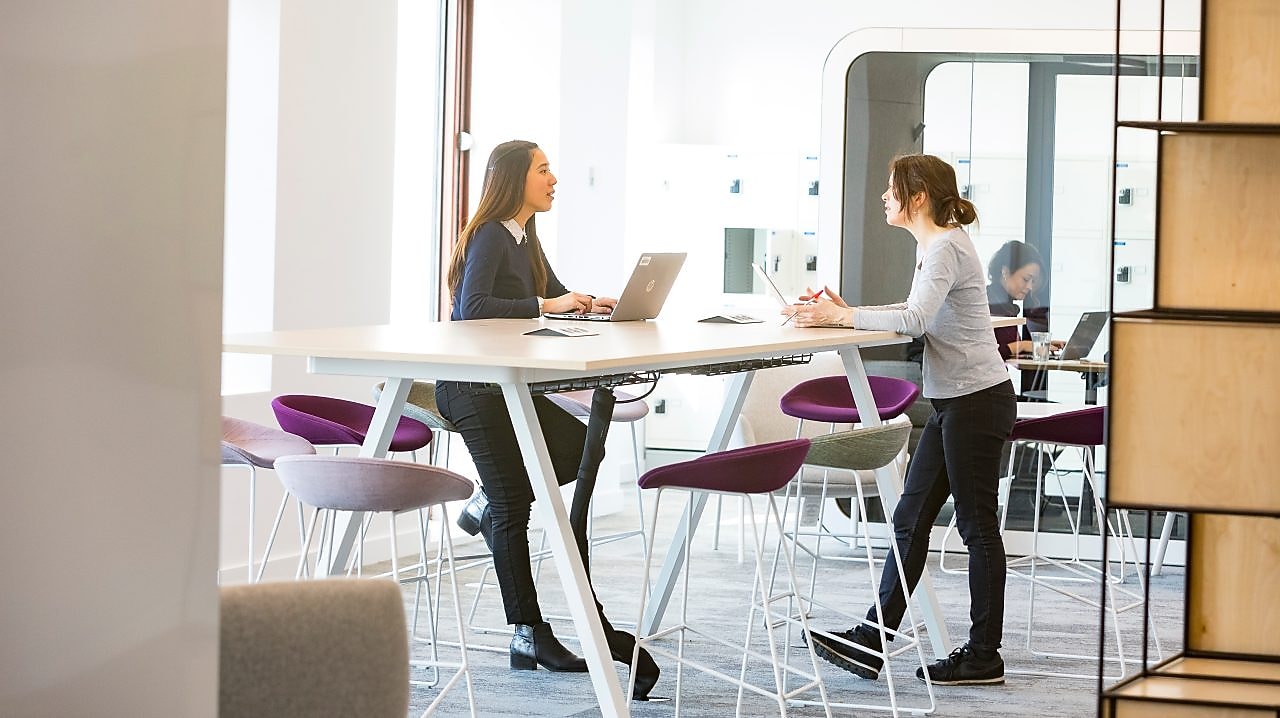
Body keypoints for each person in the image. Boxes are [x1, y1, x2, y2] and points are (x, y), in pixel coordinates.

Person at [434, 140, 659, 699]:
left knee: (581, 446)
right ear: (515, 179)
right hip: (472, 389)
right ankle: (527, 633)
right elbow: (472, 309)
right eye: (543, 169)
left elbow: (553, 293)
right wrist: (547, 306)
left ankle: (486, 501)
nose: (554, 178)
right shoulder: (490, 234)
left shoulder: (524, 235)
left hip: (507, 387)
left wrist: (589, 302)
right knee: (515, 503)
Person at [789, 154, 1017, 685]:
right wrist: (847, 311)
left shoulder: (945, 247)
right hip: (956, 401)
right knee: (911, 518)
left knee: (977, 526)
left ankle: (984, 655)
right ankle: (873, 640)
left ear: (918, 197)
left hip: (976, 400)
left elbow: (914, 320)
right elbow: (917, 311)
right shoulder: (935, 247)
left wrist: (844, 316)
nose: (884, 197)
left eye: (892, 189)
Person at [986, 240, 1064, 400]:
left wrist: (1039, 346)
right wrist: (1024, 345)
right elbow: (986, 357)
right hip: (986, 394)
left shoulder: (1006, 306)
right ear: (1005, 272)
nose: (1030, 287)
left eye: (1033, 282)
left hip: (996, 390)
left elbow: (1008, 350)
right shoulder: (987, 303)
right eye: (1026, 279)